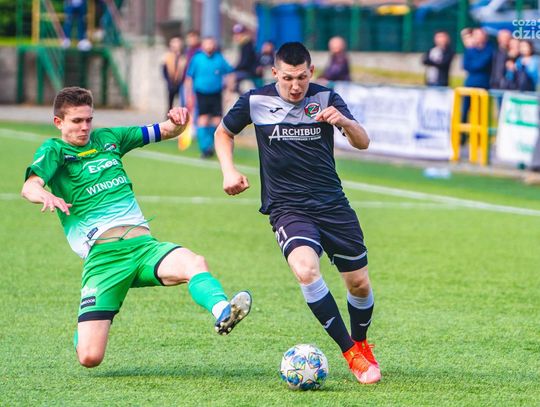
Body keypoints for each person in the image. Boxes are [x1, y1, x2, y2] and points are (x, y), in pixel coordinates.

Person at [21, 87, 252, 368]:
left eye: (88, 120)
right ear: (58, 122)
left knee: (195, 263)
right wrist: (44, 194)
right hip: (104, 260)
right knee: (90, 357)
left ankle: (223, 310)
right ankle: (87, 325)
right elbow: (29, 186)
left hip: (144, 249)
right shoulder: (54, 150)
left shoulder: (109, 138)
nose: (85, 127)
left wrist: (178, 121)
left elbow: (165, 131)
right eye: (77, 121)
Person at [214, 42, 381, 384]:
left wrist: (344, 122)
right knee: (306, 270)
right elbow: (224, 132)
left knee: (359, 284)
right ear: (274, 73)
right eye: (288, 78)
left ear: (311, 72)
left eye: (302, 77)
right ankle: (351, 353)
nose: (295, 86)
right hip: (287, 207)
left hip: (332, 204)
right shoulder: (255, 100)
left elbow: (363, 142)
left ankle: (362, 343)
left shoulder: (326, 98)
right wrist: (228, 171)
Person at [185, 37, 234, 158]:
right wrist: (189, 94)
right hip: (201, 93)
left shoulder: (219, 58)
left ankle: (213, 145)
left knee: (217, 120)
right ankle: (205, 148)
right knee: (203, 119)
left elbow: (230, 73)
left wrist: (229, 91)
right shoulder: (197, 59)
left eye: (211, 43)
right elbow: (189, 77)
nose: (209, 45)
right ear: (203, 45)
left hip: (216, 93)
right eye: (207, 43)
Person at [162, 36, 187, 111]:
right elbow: (164, 71)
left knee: (182, 103)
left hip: (181, 83)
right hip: (171, 83)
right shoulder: (167, 56)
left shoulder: (183, 56)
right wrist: (169, 81)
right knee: (170, 103)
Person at [232, 24, 259, 93]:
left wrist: (233, 70)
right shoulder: (240, 44)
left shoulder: (247, 44)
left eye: (240, 33)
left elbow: (245, 62)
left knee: (230, 78)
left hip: (248, 71)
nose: (237, 36)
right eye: (236, 34)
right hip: (244, 70)